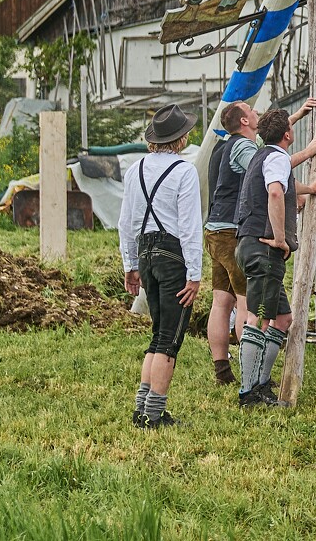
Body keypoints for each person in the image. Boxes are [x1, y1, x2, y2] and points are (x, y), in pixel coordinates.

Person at [233, 108, 316, 408]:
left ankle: (261, 384)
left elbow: (282, 182)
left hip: (251, 245)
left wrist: (310, 188)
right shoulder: (274, 157)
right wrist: (278, 237)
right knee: (258, 318)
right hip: (264, 247)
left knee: (282, 318)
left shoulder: (266, 156)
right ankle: (248, 393)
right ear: (287, 134)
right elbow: (275, 192)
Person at [119, 105, 204, 428]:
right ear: (180, 139)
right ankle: (153, 414)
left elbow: (125, 222)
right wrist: (194, 274)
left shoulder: (134, 169)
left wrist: (130, 264)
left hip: (145, 253)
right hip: (173, 255)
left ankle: (142, 407)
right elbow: (189, 226)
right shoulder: (184, 171)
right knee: (170, 337)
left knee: (157, 333)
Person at [204, 101, 258, 385]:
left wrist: (295, 116)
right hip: (232, 232)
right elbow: (263, 170)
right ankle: (250, 375)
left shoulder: (221, 146)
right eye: (252, 110)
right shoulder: (242, 147)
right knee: (245, 304)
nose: (256, 112)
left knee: (221, 302)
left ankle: (222, 371)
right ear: (244, 121)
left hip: (214, 229)